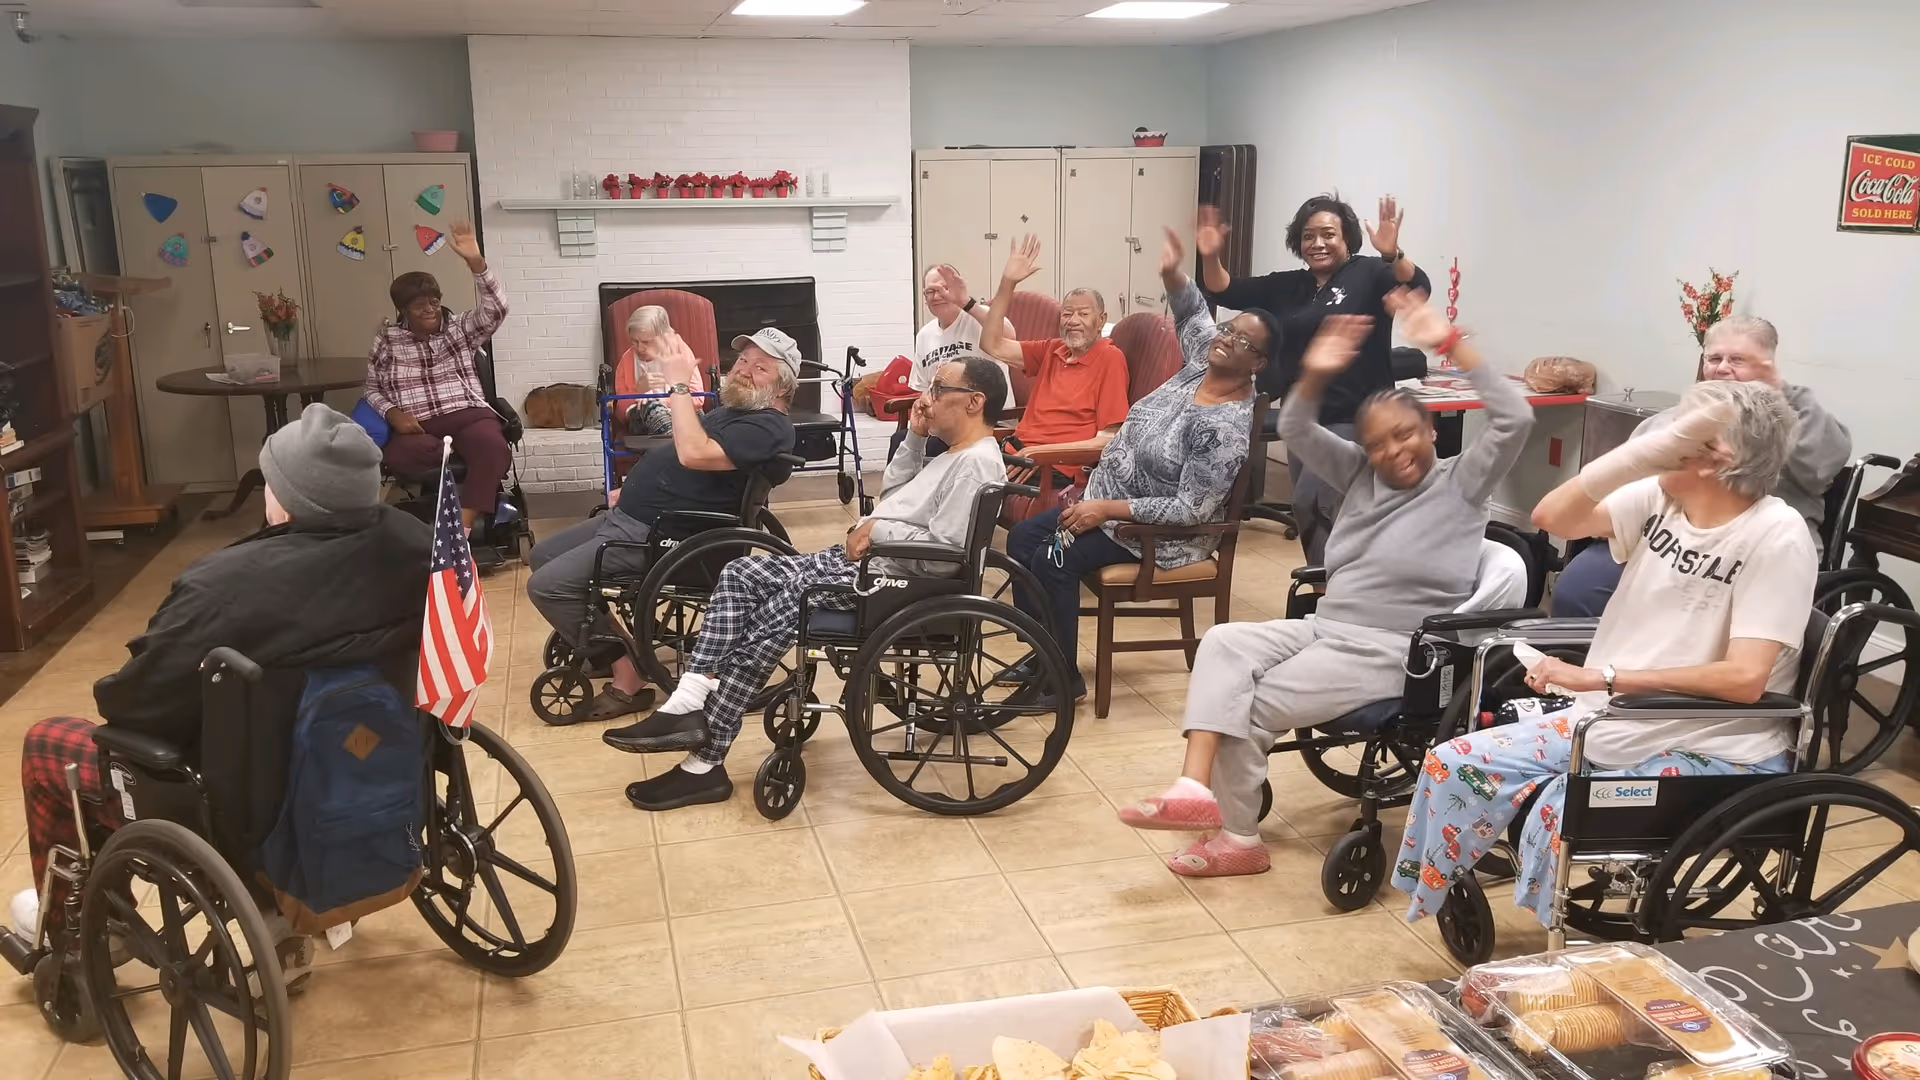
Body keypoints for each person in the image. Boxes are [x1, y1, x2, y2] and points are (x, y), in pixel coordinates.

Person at [1115, 291, 1534, 877]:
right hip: (1325, 626)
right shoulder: (1361, 473)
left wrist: (1447, 341)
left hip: (1391, 648)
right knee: (1224, 643)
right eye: (1379, 441)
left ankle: (1238, 841)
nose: (1394, 450)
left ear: (1431, 431)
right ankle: (1192, 785)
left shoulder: (1461, 483)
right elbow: (1294, 424)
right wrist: (1316, 372)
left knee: (1249, 705)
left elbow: (1515, 416)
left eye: (1405, 434)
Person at [1392, 379, 1816, 924]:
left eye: (1678, 432)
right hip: (1615, 718)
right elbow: (1554, 516)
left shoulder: (1776, 536)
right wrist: (1638, 457)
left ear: (1718, 458)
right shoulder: (1663, 496)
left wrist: (1605, 677)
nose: (1661, 437)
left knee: (1560, 809)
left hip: (1714, 741)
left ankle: (1565, 949)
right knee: (1453, 761)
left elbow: (1744, 679)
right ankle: (1435, 895)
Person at [10, 405, 431, 936]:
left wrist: (113, 692)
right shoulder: (416, 544)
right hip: (365, 759)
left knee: (47, 741)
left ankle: (78, 930)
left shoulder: (225, 585)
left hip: (240, 808)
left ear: (288, 500)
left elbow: (136, 708)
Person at [600, 356, 1012, 812]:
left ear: (975, 402)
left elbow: (944, 555)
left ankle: (704, 760)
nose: (925, 398)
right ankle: (688, 700)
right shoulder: (953, 455)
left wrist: (879, 534)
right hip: (864, 564)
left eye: (937, 389)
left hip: (893, 581)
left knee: (773, 616)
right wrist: (913, 440)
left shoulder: (975, 464)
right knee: (740, 574)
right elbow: (893, 500)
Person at [1004, 225, 1276, 705]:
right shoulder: (1201, 362)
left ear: (1258, 365)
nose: (1226, 340)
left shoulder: (1224, 427)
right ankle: (1041, 651)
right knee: (1023, 539)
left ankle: (1060, 680)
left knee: (1052, 558)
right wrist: (1174, 271)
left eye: (1243, 343)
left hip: (1152, 535)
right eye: (1229, 330)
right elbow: (1193, 311)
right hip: (1099, 505)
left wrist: (1108, 508)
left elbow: (1191, 510)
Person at [526, 328, 799, 723]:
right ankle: (611, 642)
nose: (744, 370)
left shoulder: (769, 427)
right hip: (635, 519)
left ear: (783, 385)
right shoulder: (739, 411)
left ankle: (628, 680)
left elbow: (693, 453)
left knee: (547, 587)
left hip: (669, 536)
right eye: (742, 360)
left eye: (761, 367)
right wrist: (636, 486)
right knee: (542, 555)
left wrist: (677, 386)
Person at [1551, 315, 1851, 617]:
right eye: (1714, 358)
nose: (1722, 367)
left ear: (1767, 365)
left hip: (1744, 550)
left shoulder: (1788, 423)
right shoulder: (1668, 420)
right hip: (1661, 535)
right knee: (1580, 586)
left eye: (1737, 359)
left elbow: (1825, 463)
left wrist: (1781, 390)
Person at [1198, 196, 1433, 563]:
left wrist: (1393, 253)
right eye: (1309, 236)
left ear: (1347, 239)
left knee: (1312, 500)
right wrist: (1211, 255)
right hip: (1303, 418)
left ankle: (1330, 588)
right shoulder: (1290, 286)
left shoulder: (1370, 273)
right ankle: (1323, 584)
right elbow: (1225, 289)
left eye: (1328, 234)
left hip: (1356, 416)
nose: (1318, 244)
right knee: (1312, 507)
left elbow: (1418, 285)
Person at [364, 220, 510, 534]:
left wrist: (476, 262)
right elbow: (373, 388)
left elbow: (497, 308)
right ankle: (451, 463)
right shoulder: (388, 339)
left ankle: (462, 529)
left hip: (468, 414)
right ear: (403, 310)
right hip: (420, 424)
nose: (430, 309)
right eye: (419, 305)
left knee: (494, 449)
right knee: (401, 457)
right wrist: (393, 413)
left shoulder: (459, 327)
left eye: (433, 301)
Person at [977, 235, 1132, 490]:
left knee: (970, 485)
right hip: (1019, 450)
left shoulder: (1110, 359)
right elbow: (992, 343)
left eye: (1083, 314)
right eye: (1067, 313)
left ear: (1101, 320)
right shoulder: (1052, 349)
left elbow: (1108, 439)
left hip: (1053, 465)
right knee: (955, 466)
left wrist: (1043, 453)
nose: (1073, 320)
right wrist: (1008, 283)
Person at [888, 264, 1018, 461]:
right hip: (945, 421)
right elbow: (923, 388)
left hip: (982, 420)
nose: (936, 296)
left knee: (930, 448)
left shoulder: (979, 317)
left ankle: (927, 491)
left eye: (943, 289)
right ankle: (900, 492)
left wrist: (967, 303)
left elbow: (1008, 336)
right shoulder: (925, 335)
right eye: (930, 291)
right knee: (900, 441)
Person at [615, 305, 707, 435]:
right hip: (643, 421)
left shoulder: (680, 353)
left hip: (681, 415)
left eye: (647, 342)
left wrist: (663, 400)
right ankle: (674, 446)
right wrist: (638, 392)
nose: (640, 348)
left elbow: (698, 399)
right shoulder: (627, 359)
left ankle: (670, 444)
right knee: (650, 407)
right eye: (634, 341)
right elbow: (620, 411)